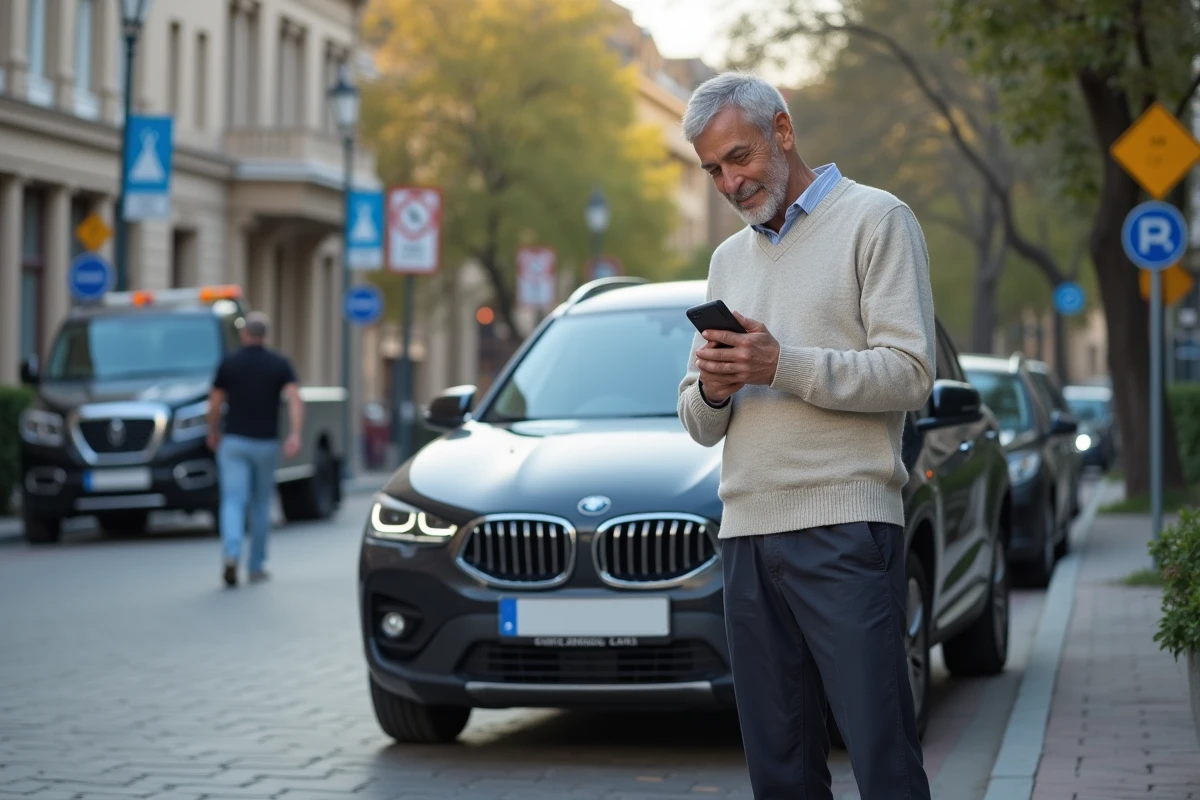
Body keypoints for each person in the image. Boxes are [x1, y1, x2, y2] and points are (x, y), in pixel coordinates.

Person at [677, 72, 936, 800]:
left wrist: (780, 364)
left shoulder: (878, 220)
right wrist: (715, 387)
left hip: (845, 529)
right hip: (746, 534)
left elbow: (911, 373)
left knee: (883, 760)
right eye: (713, 170)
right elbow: (697, 422)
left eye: (740, 157)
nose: (730, 183)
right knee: (780, 773)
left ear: (783, 131)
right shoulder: (727, 260)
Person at [206, 311, 303, 588]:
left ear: (244, 334)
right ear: (266, 335)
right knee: (261, 504)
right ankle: (256, 565)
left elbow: (214, 403)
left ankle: (231, 553)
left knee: (233, 501)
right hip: (266, 443)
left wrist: (213, 431)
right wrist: (295, 434)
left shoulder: (229, 363)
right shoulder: (279, 364)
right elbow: (295, 400)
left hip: (234, 442)